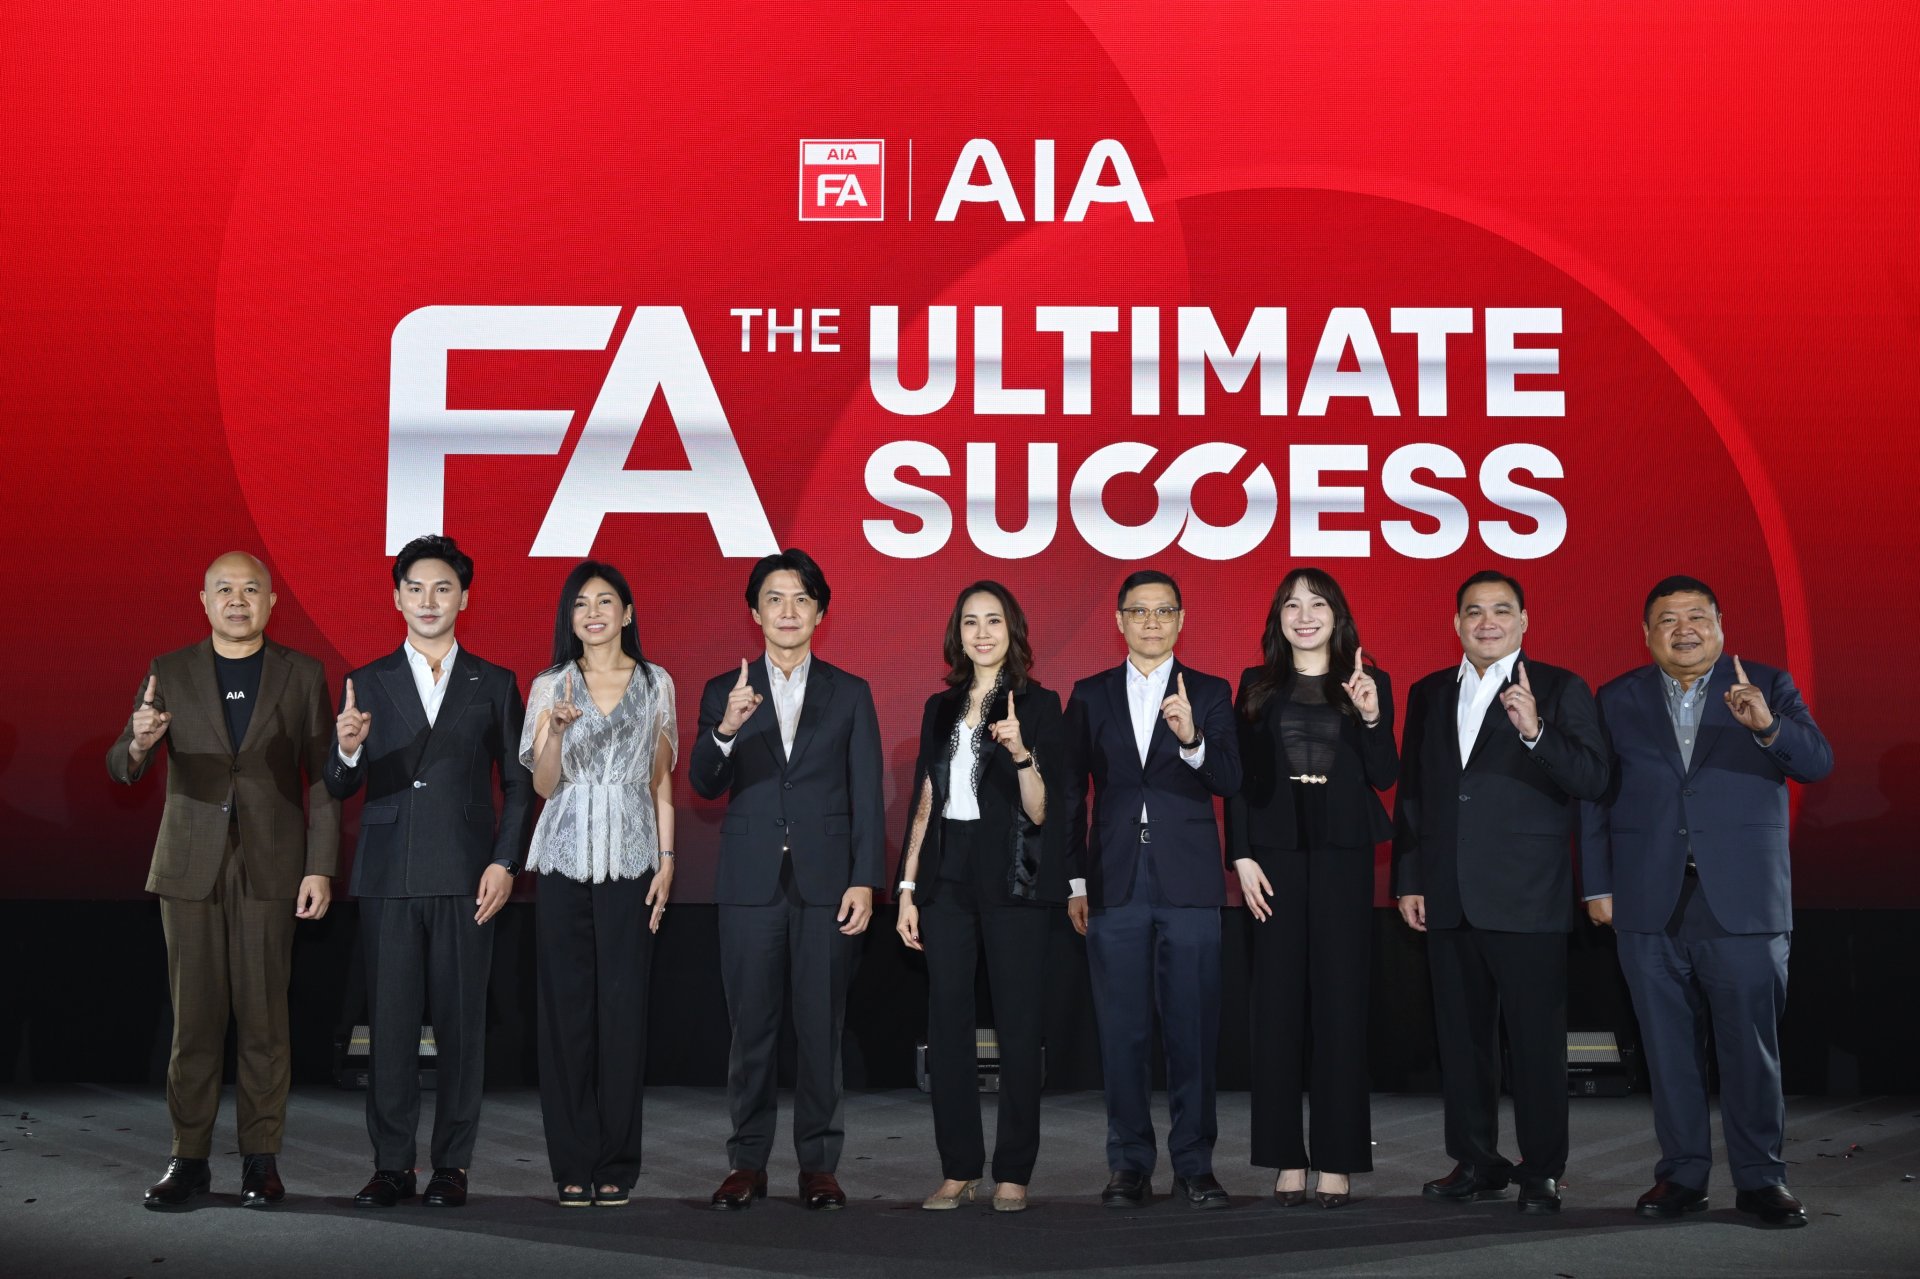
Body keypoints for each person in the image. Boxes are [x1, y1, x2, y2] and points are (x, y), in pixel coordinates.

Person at [1581, 576, 1833, 1228]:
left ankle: (1761, 1180)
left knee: (1751, 1051)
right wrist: (1598, 885)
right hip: (1648, 901)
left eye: (1697, 616)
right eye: (1667, 619)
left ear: (1720, 625)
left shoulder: (1768, 684)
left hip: (1744, 903)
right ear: (1647, 633)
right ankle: (1682, 1175)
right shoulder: (1617, 696)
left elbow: (1816, 763)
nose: (1683, 628)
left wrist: (1767, 726)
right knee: (1668, 1051)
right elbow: (1595, 797)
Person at [107, 552, 339, 1210]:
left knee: (265, 1019)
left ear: (272, 602)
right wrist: (139, 741)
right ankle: (188, 1158)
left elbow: (324, 778)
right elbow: (121, 763)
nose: (238, 600)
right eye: (225, 589)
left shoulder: (302, 673)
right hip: (190, 865)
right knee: (194, 1021)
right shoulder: (170, 670)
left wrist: (320, 865)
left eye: (251, 589)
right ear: (204, 601)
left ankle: (261, 1160)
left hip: (273, 864)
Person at [1391, 569, 1607, 1214]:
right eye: (1475, 611)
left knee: (1535, 1044)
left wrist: (1537, 732)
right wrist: (1409, 878)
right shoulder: (1429, 691)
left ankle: (1541, 1170)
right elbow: (1414, 792)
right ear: (1456, 622)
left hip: (1527, 895)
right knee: (1462, 1043)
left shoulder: (1561, 687)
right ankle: (1476, 1162)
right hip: (1447, 894)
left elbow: (1593, 779)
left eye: (1502, 610)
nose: (1488, 622)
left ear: (1524, 621)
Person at [327, 534, 534, 1209]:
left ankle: (452, 1165)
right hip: (388, 873)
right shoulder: (366, 681)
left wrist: (505, 860)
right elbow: (336, 783)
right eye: (415, 588)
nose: (428, 600)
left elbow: (520, 785)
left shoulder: (494, 682)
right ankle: (392, 1165)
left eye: (442, 588)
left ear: (464, 598)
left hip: (468, 875)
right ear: (396, 598)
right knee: (390, 1028)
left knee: (461, 1027)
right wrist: (347, 751)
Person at [691, 549, 885, 1212]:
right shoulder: (725, 690)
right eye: (774, 598)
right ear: (755, 612)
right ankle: (746, 1162)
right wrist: (726, 728)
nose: (788, 610)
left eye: (801, 598)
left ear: (820, 612)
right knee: (750, 1031)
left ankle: (819, 1166)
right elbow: (703, 783)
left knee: (821, 1029)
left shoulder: (850, 692)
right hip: (749, 885)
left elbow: (866, 792)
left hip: (827, 885)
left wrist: (864, 880)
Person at [1063, 569, 1242, 1210]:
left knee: (1192, 1031)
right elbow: (1069, 793)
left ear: (1181, 620)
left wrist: (1192, 739)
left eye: (1164, 611)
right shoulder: (1089, 694)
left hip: (1188, 881)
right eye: (1138, 611)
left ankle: (1195, 1165)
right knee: (1123, 1033)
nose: (1151, 622)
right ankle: (1129, 1164)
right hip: (1113, 881)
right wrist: (1075, 879)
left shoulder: (1211, 692)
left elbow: (1230, 779)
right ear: (1119, 620)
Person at [895, 581, 1067, 1213]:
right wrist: (908, 886)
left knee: (1019, 1024)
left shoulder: (1040, 704)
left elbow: (1043, 810)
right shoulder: (940, 707)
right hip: (947, 875)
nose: (982, 632)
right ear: (958, 635)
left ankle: (1014, 1171)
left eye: (994, 620)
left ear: (1012, 630)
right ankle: (959, 1169)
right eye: (970, 622)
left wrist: (1020, 753)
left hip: (1014, 875)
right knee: (947, 1022)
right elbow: (926, 796)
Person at [1228, 568, 1396, 1208]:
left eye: (1317, 604)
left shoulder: (1368, 681)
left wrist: (1372, 716)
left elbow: (1385, 774)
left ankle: (1338, 1159)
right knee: (1275, 1009)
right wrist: (1240, 854)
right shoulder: (1256, 683)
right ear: (1278, 618)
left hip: (1342, 855)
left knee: (1340, 1007)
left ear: (1337, 616)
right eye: (1292, 605)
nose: (1304, 615)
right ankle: (1284, 1159)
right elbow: (1240, 779)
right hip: (1272, 857)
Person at [519, 561, 677, 1207]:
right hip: (564, 859)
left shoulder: (657, 682)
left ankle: (617, 1162)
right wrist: (555, 733)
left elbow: (660, 779)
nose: (593, 613)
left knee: (623, 1013)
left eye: (605, 601)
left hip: (633, 861)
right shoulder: (549, 684)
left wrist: (668, 859)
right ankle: (572, 1161)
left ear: (627, 612)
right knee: (566, 1015)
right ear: (570, 616)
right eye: (581, 603)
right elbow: (542, 785)